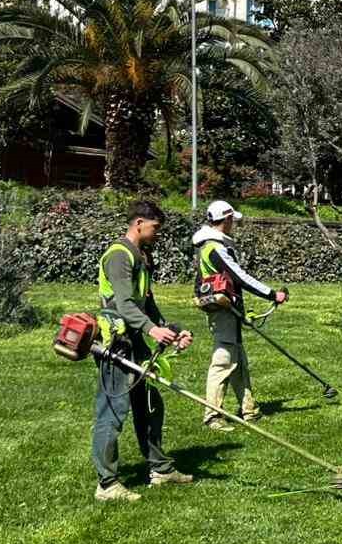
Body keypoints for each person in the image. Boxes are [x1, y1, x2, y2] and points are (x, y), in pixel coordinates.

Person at [93, 200, 194, 503]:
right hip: (115, 344)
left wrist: (170, 331)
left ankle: (160, 469)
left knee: (150, 404)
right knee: (112, 413)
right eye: (155, 228)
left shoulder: (141, 257)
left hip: (134, 341)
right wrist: (152, 330)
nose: (157, 234)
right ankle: (107, 484)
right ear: (139, 223)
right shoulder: (119, 256)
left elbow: (145, 305)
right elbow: (123, 305)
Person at [193, 199, 290, 431]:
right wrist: (271, 294)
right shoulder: (214, 248)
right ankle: (212, 415)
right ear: (225, 220)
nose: (232, 224)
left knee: (238, 361)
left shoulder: (210, 246)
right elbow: (240, 277)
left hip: (227, 308)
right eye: (231, 220)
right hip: (223, 311)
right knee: (223, 361)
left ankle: (249, 410)